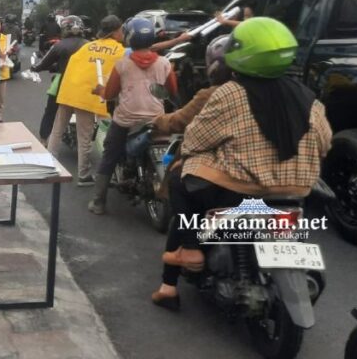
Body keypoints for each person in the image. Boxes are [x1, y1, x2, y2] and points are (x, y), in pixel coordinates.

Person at [152, 17, 332, 311]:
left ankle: (191, 251)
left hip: (241, 191)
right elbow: (325, 143)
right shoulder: (307, 96)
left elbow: (196, 140)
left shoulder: (230, 92)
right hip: (295, 191)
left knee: (178, 176)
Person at [88, 17, 179, 215]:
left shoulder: (122, 65)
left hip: (125, 121)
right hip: (156, 120)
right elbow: (172, 90)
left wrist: (99, 90)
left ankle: (98, 202)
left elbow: (110, 94)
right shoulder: (164, 63)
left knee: (109, 155)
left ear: (130, 37)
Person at [48, 15, 126, 186]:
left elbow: (72, 65)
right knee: (84, 136)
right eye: (121, 30)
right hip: (87, 95)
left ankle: (49, 165)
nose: (123, 33)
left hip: (69, 90)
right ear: (114, 32)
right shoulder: (120, 51)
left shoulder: (88, 46)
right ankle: (83, 174)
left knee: (58, 129)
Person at [33, 15, 88, 140]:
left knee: (50, 112)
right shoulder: (90, 45)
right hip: (85, 85)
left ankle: (44, 138)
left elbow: (43, 64)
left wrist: (35, 68)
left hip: (63, 84)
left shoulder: (59, 45)